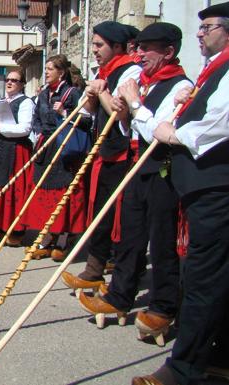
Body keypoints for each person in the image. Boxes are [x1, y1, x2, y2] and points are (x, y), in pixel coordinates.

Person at [132, 3, 229, 384]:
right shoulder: (211, 70)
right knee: (212, 276)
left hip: (215, 187)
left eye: (209, 26)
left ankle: (183, 369)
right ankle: (217, 357)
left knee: (203, 279)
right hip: (200, 186)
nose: (200, 32)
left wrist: (171, 131)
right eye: (201, 26)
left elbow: (216, 125)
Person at [77, 23, 191, 339]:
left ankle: (163, 306)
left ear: (168, 52)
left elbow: (163, 131)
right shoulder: (146, 83)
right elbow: (129, 131)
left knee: (163, 241)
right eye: (138, 47)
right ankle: (119, 296)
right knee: (130, 235)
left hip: (163, 170)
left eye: (147, 48)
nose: (139, 53)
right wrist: (122, 110)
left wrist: (135, 105)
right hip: (137, 165)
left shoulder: (181, 84)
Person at [68, 21, 142, 288]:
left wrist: (101, 92)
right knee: (99, 210)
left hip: (121, 152)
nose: (95, 50)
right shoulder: (104, 70)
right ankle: (95, 265)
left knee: (114, 215)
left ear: (118, 46)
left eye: (100, 45)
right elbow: (87, 111)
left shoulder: (130, 70)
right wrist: (90, 95)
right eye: (94, 45)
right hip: (102, 150)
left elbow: (117, 112)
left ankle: (107, 267)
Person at [25, 55, 89, 259]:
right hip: (45, 147)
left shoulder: (73, 93)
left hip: (65, 148)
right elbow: (36, 119)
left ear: (61, 72)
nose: (47, 71)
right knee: (43, 193)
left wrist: (64, 113)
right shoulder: (43, 94)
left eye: (51, 68)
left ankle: (63, 237)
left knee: (62, 195)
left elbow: (87, 121)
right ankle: (46, 237)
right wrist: (36, 134)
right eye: (46, 68)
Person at [0, 68, 34, 247]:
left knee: (12, 189)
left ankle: (15, 229)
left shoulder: (26, 103)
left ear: (22, 84)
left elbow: (25, 129)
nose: (10, 82)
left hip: (15, 149)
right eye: (8, 79)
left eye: (15, 80)